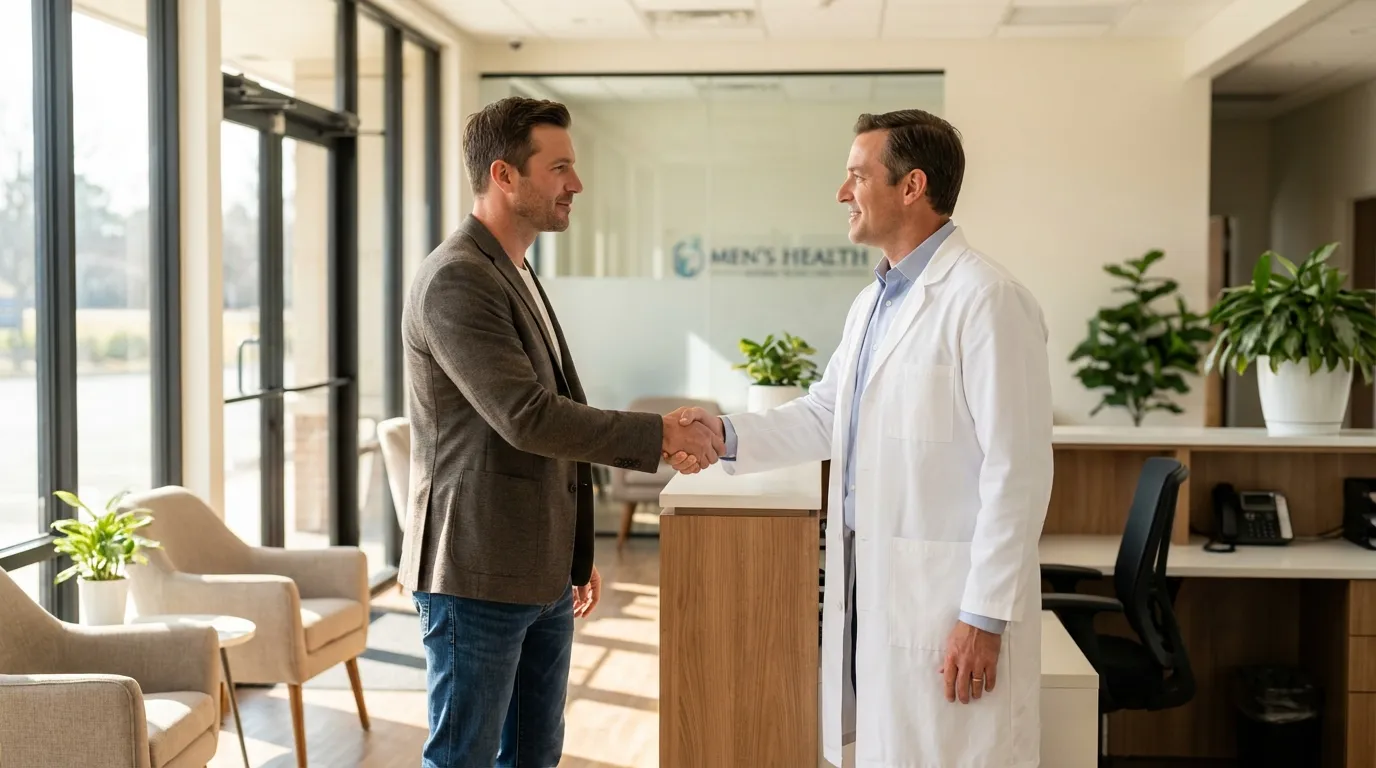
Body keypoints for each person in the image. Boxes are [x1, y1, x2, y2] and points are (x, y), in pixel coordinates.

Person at [669, 109, 1053, 767]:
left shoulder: (986, 299)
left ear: (911, 187)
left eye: (856, 176)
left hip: (949, 608)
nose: (842, 193)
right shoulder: (874, 302)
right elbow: (826, 414)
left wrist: (986, 616)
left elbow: (1016, 472)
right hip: (879, 595)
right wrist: (726, 436)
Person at [399, 96, 724, 768]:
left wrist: (573, 557)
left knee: (533, 755)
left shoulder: (515, 271)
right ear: (505, 175)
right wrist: (658, 433)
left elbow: (551, 415)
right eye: (560, 168)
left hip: (535, 569)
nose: (576, 184)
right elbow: (526, 416)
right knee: (461, 756)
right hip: (477, 570)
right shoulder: (456, 279)